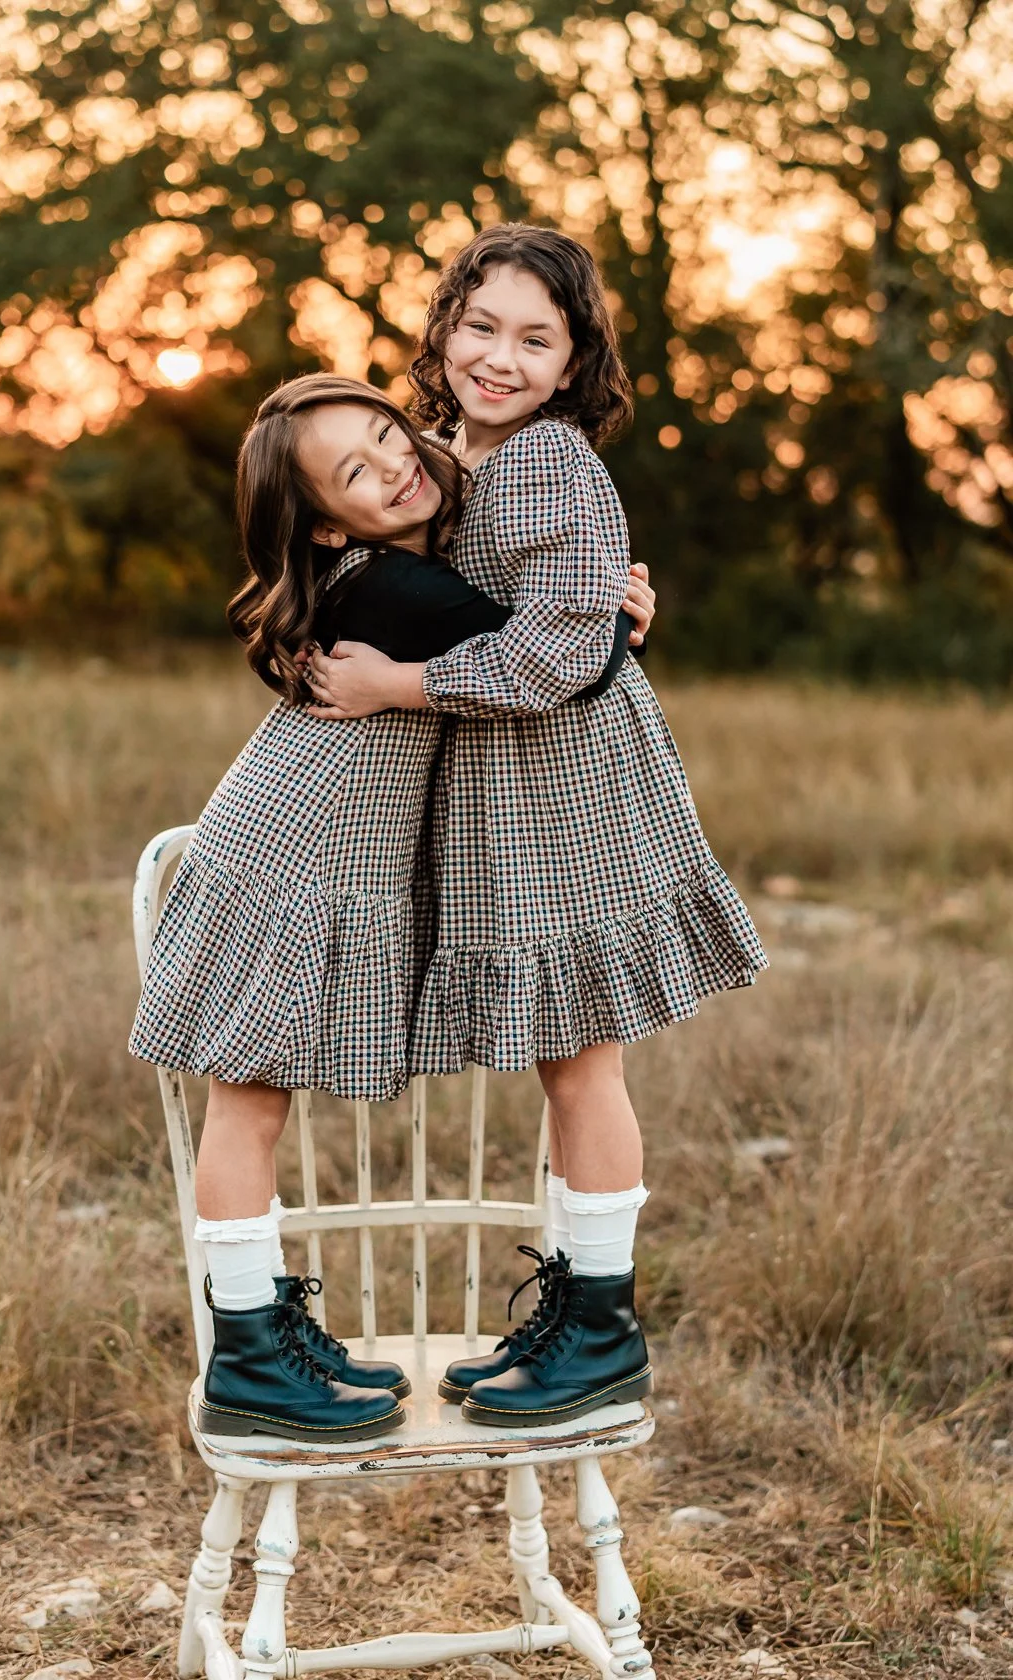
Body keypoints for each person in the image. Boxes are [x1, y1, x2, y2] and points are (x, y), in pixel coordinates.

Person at [128, 373, 654, 1443]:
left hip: (293, 844)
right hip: (293, 859)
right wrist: (621, 620)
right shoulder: (389, 592)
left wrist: (606, 614)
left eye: (385, 434)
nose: (393, 464)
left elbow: (539, 648)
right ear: (324, 524)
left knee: (252, 1099)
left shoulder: (410, 569)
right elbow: (562, 660)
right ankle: (249, 1359)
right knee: (249, 1101)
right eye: (355, 474)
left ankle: (260, 1338)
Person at [307, 225, 768, 1429]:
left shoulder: (552, 463)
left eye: (533, 339)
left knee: (583, 1059)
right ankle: (573, 1312)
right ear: (443, 328)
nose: (499, 358)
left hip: (571, 785)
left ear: (572, 365)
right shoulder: (444, 450)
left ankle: (601, 1330)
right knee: (568, 1059)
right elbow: (515, 603)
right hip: (514, 790)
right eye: (479, 327)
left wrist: (398, 687)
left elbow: (562, 648)